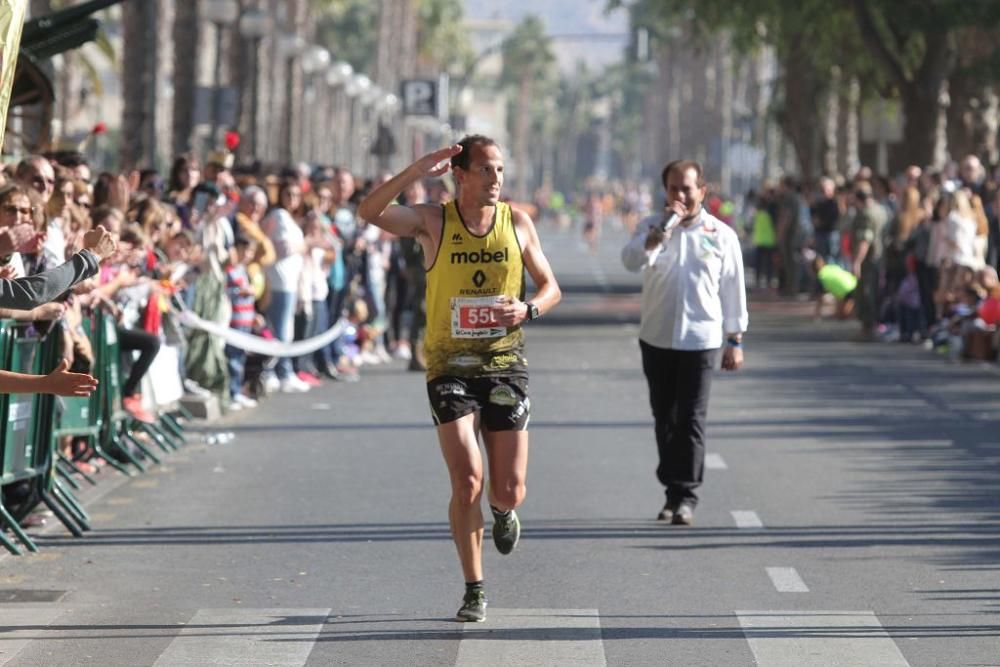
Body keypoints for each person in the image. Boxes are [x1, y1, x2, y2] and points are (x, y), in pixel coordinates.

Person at [357, 135, 561, 623]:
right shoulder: (433, 220)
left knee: (507, 488)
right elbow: (369, 212)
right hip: (449, 367)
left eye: (501, 171)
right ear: (461, 175)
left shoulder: (519, 223)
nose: (496, 180)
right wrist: (415, 170)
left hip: (504, 364)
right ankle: (474, 586)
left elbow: (552, 288)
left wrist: (527, 308)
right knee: (467, 478)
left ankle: (505, 511)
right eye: (487, 170)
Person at [621, 159, 748, 526]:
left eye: (687, 189)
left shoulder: (720, 235)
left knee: (691, 418)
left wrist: (734, 339)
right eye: (673, 188)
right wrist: (655, 236)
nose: (680, 195)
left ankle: (686, 494)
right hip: (657, 337)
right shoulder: (651, 226)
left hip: (702, 339)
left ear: (701, 191)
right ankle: (670, 492)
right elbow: (630, 261)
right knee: (665, 417)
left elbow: (732, 288)